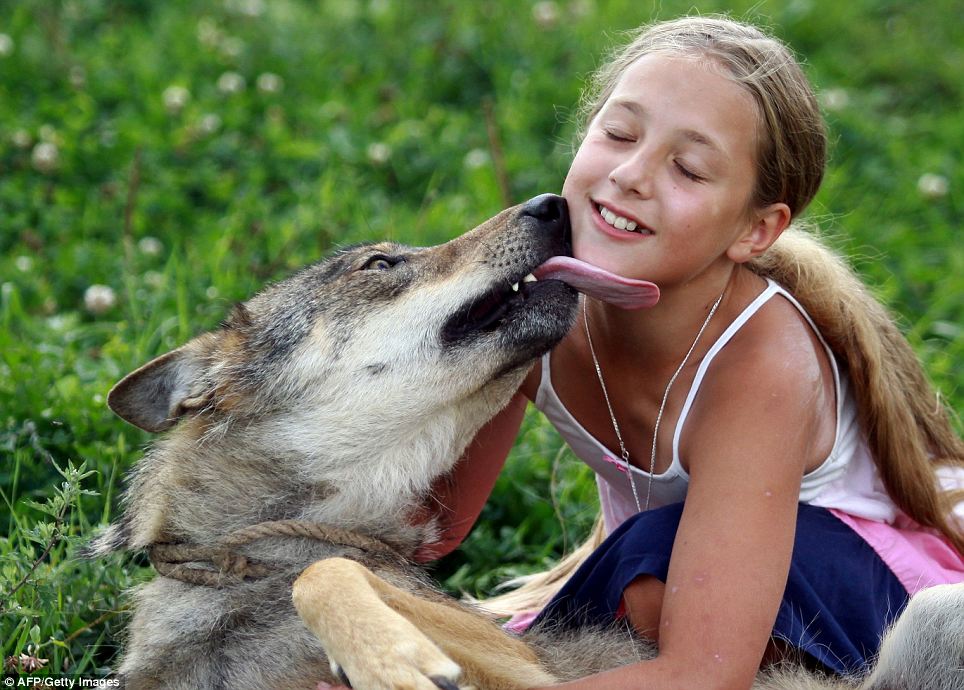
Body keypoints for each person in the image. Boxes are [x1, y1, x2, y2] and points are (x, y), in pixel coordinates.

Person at [409, 15, 964, 690]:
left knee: (647, 579)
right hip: (676, 580)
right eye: (617, 133)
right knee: (625, 590)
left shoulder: (760, 364)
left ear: (756, 230)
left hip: (870, 602)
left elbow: (703, 673)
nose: (632, 174)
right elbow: (427, 530)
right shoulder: (540, 299)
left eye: (688, 168)